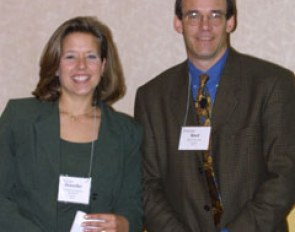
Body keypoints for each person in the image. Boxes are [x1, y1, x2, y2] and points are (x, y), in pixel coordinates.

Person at [134, 0, 295, 231]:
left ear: (231, 22)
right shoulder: (151, 97)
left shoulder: (272, 84)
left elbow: (286, 174)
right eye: (193, 15)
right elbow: (145, 184)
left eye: (215, 15)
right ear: (178, 23)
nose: (204, 26)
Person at [0, 16, 143, 232]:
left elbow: (132, 205)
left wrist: (125, 224)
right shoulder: (19, 118)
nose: (81, 66)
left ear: (103, 66)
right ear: (56, 66)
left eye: (91, 56)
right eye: (70, 57)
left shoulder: (127, 133)